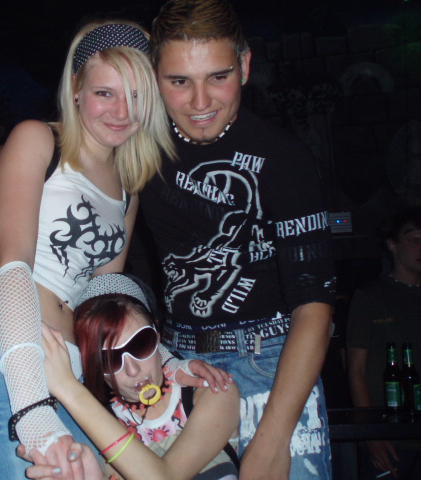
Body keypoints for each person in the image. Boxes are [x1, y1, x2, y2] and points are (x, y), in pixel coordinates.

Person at [0, 20, 229, 480]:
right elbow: (12, 265)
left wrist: (166, 363)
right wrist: (32, 410)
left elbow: (105, 305)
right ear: (75, 90)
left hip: (61, 370)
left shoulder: (128, 189)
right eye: (105, 93)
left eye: (137, 96)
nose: (122, 111)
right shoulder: (38, 139)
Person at [134, 1, 336, 479]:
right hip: (176, 367)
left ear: (244, 66)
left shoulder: (284, 157)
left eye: (218, 77)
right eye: (179, 81)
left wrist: (273, 436)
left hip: (272, 364)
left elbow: (315, 306)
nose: (200, 101)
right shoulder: (137, 148)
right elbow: (54, 143)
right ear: (154, 78)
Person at [26, 273, 239, 480]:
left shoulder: (213, 390)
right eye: (110, 358)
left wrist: (68, 387)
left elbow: (165, 476)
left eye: (140, 344)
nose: (133, 370)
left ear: (157, 336)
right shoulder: (103, 426)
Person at [347, 206, 421, 479]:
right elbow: (356, 369)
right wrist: (373, 434)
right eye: (415, 240)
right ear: (392, 244)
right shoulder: (370, 297)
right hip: (391, 435)